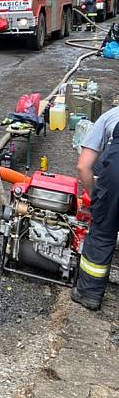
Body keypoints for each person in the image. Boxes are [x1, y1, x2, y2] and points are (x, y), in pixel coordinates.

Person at [72, 121, 119, 311]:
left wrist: (94, 197)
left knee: (102, 234)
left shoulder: (109, 117)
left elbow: (83, 166)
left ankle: (88, 294)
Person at [76, 105, 119, 194]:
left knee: (95, 164)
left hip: (112, 185)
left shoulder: (110, 115)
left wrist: (94, 198)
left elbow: (83, 166)